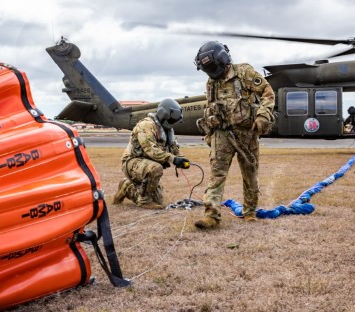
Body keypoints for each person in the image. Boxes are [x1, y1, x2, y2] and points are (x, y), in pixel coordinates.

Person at [194, 41, 275, 229]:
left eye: (212, 66)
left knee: (250, 173)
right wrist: (209, 133)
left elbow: (267, 92)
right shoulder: (211, 82)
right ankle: (211, 215)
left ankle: (250, 212)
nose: (211, 71)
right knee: (217, 173)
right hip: (222, 133)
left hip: (247, 132)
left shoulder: (245, 72)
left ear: (222, 60)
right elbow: (210, 107)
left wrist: (263, 115)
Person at [113, 98, 190, 209]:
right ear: (164, 114)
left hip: (147, 165)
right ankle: (144, 201)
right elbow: (151, 150)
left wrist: (181, 158)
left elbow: (174, 147)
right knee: (156, 168)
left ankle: (127, 188)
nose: (173, 123)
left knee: (159, 200)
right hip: (132, 162)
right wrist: (173, 159)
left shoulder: (167, 130)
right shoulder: (146, 125)